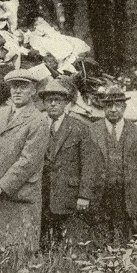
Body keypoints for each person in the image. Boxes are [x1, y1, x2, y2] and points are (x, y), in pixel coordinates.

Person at [0, 67, 50, 252]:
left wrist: (1, 187)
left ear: (33, 91)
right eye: (14, 86)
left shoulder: (38, 120)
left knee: (19, 251)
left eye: (23, 87)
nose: (17, 91)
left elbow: (28, 161)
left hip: (20, 196)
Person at [88, 84, 137, 243]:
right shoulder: (91, 130)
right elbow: (85, 165)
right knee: (99, 239)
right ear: (103, 107)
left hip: (128, 195)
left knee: (125, 238)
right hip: (100, 194)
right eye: (109, 105)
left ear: (124, 107)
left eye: (118, 105)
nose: (113, 109)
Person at [38, 78, 97, 249]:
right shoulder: (38, 126)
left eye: (58, 100)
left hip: (68, 195)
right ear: (44, 103)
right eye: (49, 100)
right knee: (42, 240)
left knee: (67, 242)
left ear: (66, 103)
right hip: (42, 193)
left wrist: (84, 196)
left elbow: (89, 165)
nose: (53, 104)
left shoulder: (79, 128)